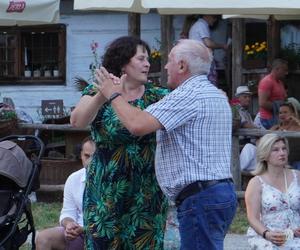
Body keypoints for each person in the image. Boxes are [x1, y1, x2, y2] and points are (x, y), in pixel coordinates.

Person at [97, 39, 237, 250]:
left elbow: (136, 124)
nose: (164, 66)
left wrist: (113, 94)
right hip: (217, 193)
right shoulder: (213, 94)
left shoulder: (187, 95)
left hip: (200, 198)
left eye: (169, 60)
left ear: (182, 65)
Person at [70, 36, 169, 249]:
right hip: (105, 189)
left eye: (148, 59)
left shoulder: (158, 97)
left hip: (146, 190)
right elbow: (77, 121)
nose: (148, 63)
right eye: (141, 58)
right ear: (124, 62)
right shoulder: (95, 91)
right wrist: (104, 94)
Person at [35, 137, 96, 250]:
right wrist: (69, 224)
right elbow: (67, 212)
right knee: (43, 238)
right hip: (78, 232)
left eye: (95, 157)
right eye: (87, 156)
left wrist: (84, 229)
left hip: (104, 233)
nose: (90, 162)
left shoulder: (114, 182)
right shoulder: (74, 179)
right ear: (81, 155)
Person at [245, 133, 300, 249]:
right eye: (275, 150)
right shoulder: (256, 183)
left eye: (284, 149)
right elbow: (252, 217)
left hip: (296, 232)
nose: (282, 153)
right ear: (265, 155)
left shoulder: (297, 176)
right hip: (269, 234)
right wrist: (267, 234)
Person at [188, 15, 229, 86]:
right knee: (208, 83)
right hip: (202, 61)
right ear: (207, 16)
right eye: (214, 17)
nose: (215, 20)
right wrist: (222, 46)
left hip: (198, 60)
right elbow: (208, 43)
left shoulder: (198, 24)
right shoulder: (201, 25)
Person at [258, 59, 288, 129]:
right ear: (277, 69)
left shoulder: (279, 82)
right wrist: (280, 108)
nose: (286, 73)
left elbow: (283, 97)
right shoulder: (267, 81)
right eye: (284, 70)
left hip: (278, 117)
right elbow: (262, 103)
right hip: (268, 119)